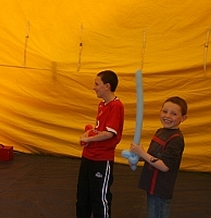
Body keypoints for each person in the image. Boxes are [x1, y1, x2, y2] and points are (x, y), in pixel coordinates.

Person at [76, 70, 125, 218]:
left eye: (97, 84)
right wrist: (89, 133)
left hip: (101, 159)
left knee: (99, 197)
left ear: (107, 86)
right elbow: (100, 130)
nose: (94, 87)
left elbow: (109, 133)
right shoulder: (102, 105)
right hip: (89, 156)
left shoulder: (116, 106)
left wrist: (88, 139)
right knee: (83, 195)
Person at [130, 96, 187, 218]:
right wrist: (137, 157)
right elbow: (152, 156)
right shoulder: (160, 131)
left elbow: (164, 166)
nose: (167, 116)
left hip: (160, 188)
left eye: (174, 114)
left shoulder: (176, 139)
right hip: (152, 186)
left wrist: (141, 153)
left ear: (183, 118)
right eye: (165, 111)